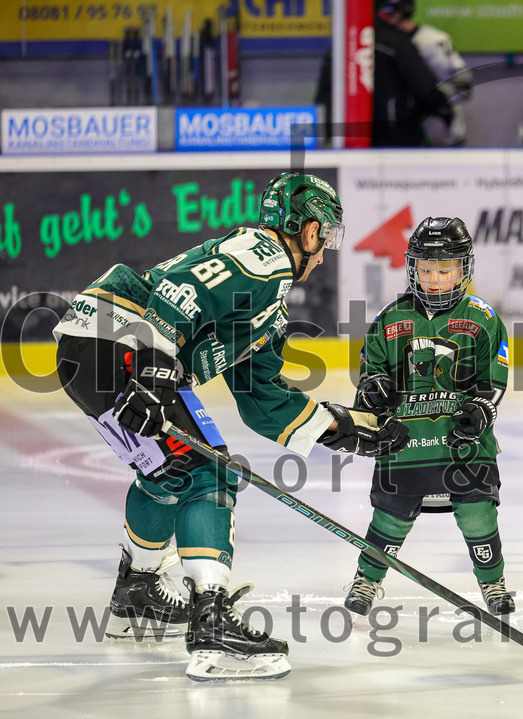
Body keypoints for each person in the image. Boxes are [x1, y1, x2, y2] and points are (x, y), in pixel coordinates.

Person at [51, 172, 409, 681]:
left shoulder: (270, 303)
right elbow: (180, 290)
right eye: (324, 236)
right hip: (121, 342)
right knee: (210, 474)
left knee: (168, 471)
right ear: (306, 232)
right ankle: (211, 621)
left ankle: (137, 595)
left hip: (96, 349)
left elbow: (263, 401)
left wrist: (342, 427)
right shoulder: (261, 255)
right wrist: (152, 371)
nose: (326, 251)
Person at [342, 217, 516, 618]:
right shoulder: (391, 317)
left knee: (478, 512)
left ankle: (493, 583)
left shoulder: (482, 317)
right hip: (405, 439)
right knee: (389, 514)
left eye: (445, 269)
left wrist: (482, 409)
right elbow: (371, 374)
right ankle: (367, 579)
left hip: (462, 442)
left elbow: (495, 377)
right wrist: (374, 390)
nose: (434, 278)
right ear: (411, 267)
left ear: (464, 269)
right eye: (425, 269)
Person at [372, 0, 454, 147]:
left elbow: (461, 86)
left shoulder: (429, 39)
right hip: (398, 135)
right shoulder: (395, 43)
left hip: (357, 134)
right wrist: (444, 111)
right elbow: (427, 89)